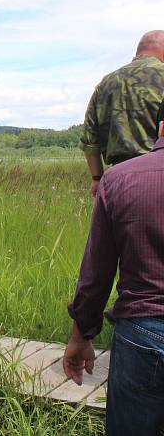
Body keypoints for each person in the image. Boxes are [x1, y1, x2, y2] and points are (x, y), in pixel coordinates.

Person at [63, 99, 164, 435]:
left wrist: (81, 334)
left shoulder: (120, 179)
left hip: (143, 331)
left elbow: (97, 272)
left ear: (160, 127)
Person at [80, 30, 164, 197]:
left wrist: (97, 179)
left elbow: (90, 139)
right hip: (159, 175)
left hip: (118, 180)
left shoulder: (106, 82)